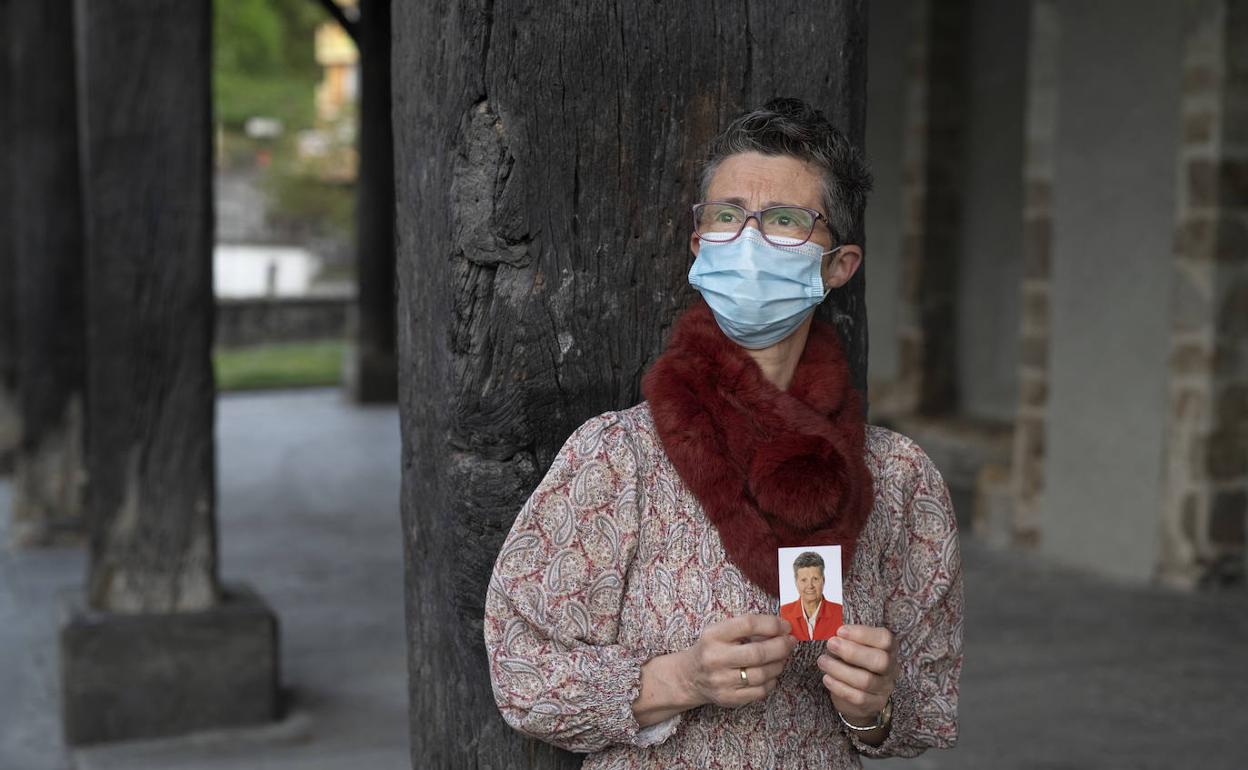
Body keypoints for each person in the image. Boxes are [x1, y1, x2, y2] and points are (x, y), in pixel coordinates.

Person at [484, 98, 962, 769]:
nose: (747, 240)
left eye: (786, 221)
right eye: (727, 215)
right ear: (697, 245)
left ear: (838, 266)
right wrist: (681, 679)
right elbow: (518, 667)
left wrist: (875, 707)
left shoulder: (899, 480)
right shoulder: (618, 459)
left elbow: (930, 703)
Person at [779, 551, 843, 642]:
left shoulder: (841, 612)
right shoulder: (782, 613)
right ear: (796, 582)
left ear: (823, 580)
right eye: (804, 580)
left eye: (815, 579)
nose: (810, 586)